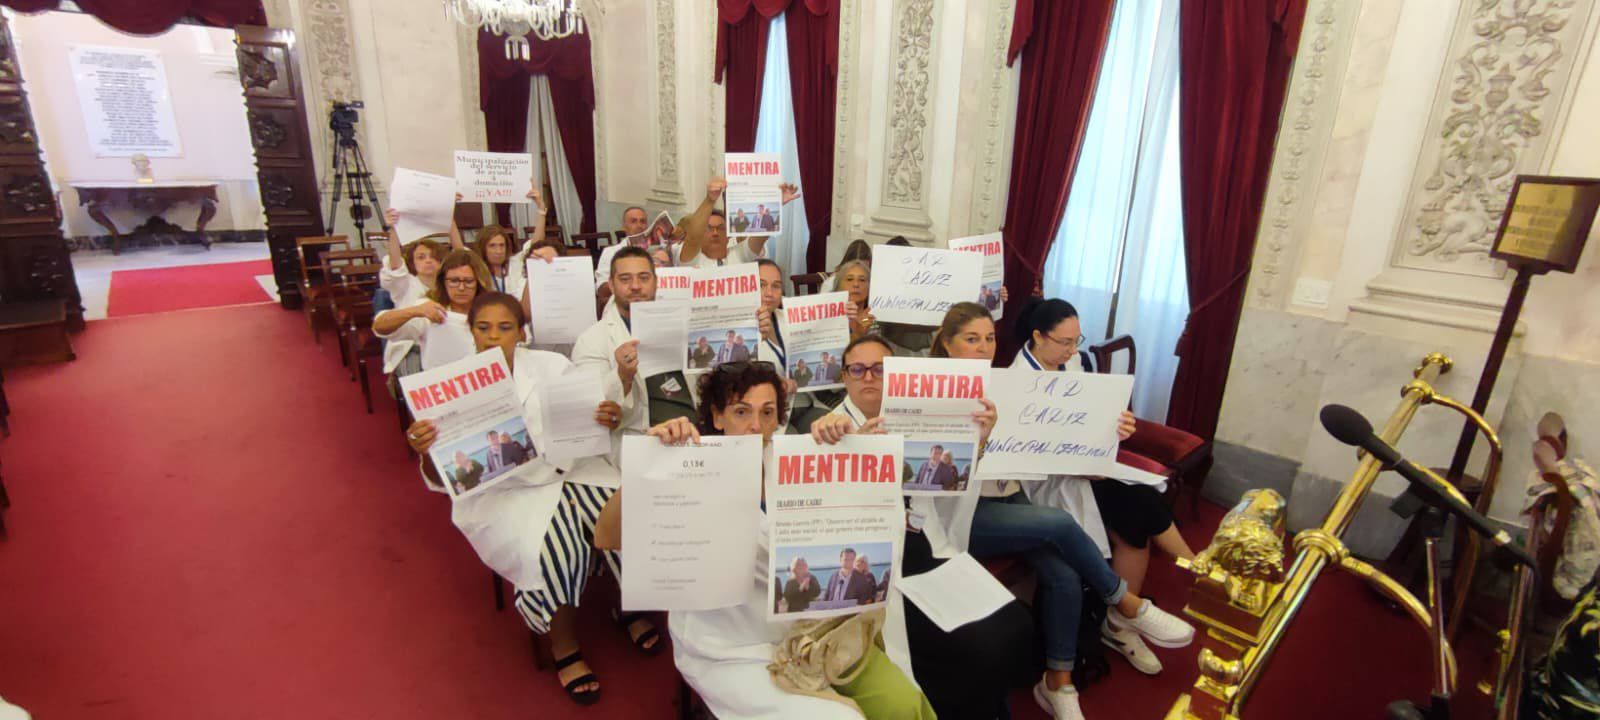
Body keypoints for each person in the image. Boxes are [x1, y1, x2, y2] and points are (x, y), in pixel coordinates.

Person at [594, 362, 934, 719]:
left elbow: (865, 520)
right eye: (741, 411)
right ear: (717, 416)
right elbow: (606, 536)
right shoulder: (687, 465)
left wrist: (851, 447)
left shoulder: (797, 462)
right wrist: (649, 464)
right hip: (729, 644)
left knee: (903, 706)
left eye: (767, 413)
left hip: (813, 631)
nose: (755, 425)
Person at [930, 302, 1193, 718]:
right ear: (946, 343)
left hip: (1009, 492)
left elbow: (1043, 444)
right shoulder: (931, 390)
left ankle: (1058, 681)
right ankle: (1125, 602)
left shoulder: (1001, 385)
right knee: (1059, 522)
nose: (983, 348)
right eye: (971, 339)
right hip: (960, 510)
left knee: (1064, 572)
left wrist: (1110, 431)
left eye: (990, 338)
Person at [405, 292, 657, 705]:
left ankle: (628, 608)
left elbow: (594, 410)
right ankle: (564, 644)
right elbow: (442, 477)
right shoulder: (445, 387)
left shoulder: (551, 366)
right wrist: (426, 452)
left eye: (505, 327)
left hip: (576, 470)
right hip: (506, 492)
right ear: (471, 332)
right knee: (556, 549)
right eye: (483, 327)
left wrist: (607, 416)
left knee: (632, 517)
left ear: (521, 334)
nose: (493, 337)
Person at [809, 334, 1040, 718]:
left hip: (923, 547)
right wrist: (852, 454)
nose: (869, 377)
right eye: (857, 369)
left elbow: (950, 495)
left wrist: (977, 441)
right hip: (876, 567)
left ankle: (988, 707)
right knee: (969, 645)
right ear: (844, 378)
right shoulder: (828, 429)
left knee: (1013, 623)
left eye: (880, 369)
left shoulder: (918, 417)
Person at [1013, 297, 1196, 675]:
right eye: (1063, 342)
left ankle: (1122, 619)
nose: (1072, 350)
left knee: (1139, 510)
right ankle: (1191, 576)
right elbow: (1026, 457)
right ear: (1037, 337)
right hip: (1048, 483)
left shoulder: (1072, 363)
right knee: (1138, 507)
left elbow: (1090, 420)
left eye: (1076, 340)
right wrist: (1081, 464)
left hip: (1089, 469)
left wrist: (1117, 426)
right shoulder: (1019, 382)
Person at [571, 246, 657, 459]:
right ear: (611, 284)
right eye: (625, 279)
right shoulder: (591, 340)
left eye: (644, 278)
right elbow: (592, 411)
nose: (635, 286)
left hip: (683, 435)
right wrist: (622, 375)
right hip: (628, 446)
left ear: (656, 281)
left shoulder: (681, 326)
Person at [373, 249, 492, 373]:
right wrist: (415, 311)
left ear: (479, 282)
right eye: (454, 281)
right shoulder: (430, 309)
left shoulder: (492, 308)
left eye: (468, 281)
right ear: (443, 281)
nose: (461, 288)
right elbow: (380, 326)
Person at [676, 178, 800, 268]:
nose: (715, 232)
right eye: (708, 228)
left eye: (720, 228)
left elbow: (760, 236)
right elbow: (692, 239)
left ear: (728, 235)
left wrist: (774, 204)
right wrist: (710, 199)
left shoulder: (740, 254)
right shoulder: (690, 260)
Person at [595, 206, 672, 295]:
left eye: (643, 222)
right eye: (633, 221)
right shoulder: (611, 252)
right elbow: (601, 289)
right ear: (624, 227)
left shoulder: (659, 250)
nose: (639, 226)